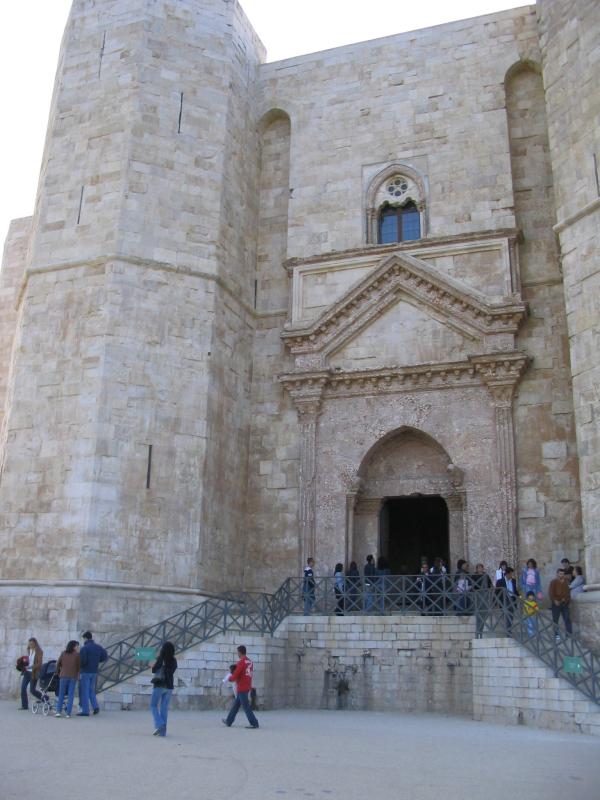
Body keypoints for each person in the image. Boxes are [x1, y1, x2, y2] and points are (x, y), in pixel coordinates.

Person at [222, 645, 259, 729]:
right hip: (247, 685)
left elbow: (235, 675)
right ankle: (229, 721)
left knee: (246, 706)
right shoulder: (250, 662)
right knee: (236, 705)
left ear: (240, 652)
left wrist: (229, 679)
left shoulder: (241, 662)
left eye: (238, 652)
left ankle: (254, 723)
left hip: (242, 687)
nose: (237, 654)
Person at [77, 630, 108, 716]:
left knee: (85, 691)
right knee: (91, 690)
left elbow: (82, 661)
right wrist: (97, 661)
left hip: (85, 671)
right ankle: (95, 707)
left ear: (85, 638)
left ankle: (85, 711)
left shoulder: (84, 648)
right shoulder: (98, 647)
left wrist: (81, 666)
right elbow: (105, 656)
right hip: (94, 671)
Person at [150, 641, 177, 737]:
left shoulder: (160, 658)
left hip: (159, 685)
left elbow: (154, 670)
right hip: (169, 686)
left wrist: (152, 663)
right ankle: (163, 732)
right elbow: (172, 671)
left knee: (153, 705)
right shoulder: (174, 660)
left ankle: (159, 724)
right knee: (164, 708)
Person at [54, 640, 80, 718]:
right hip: (73, 676)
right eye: (77, 646)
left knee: (61, 694)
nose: (77, 647)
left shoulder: (63, 653)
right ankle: (68, 713)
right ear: (73, 646)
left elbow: (58, 664)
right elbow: (79, 666)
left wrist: (58, 672)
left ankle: (58, 711)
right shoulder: (77, 655)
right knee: (70, 694)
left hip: (63, 675)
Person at [549, 568, 573, 641]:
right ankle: (556, 634)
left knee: (567, 619)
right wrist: (554, 600)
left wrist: (567, 600)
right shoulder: (553, 582)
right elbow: (550, 593)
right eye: (560, 574)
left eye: (562, 574)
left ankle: (569, 634)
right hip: (556, 604)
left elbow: (568, 593)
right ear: (557, 574)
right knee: (555, 620)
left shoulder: (566, 583)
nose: (561, 575)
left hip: (565, 604)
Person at [20, 637, 43, 711]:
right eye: (29, 644)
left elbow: (39, 663)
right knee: (23, 688)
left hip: (34, 673)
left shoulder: (39, 651)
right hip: (27, 672)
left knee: (32, 690)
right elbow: (28, 660)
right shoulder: (29, 650)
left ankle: (45, 698)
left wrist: (31, 666)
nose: (30, 645)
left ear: (35, 643)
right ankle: (24, 706)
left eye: (32, 644)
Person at [496, 567, 519, 631]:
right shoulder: (500, 581)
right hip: (504, 600)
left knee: (511, 616)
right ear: (507, 574)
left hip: (512, 600)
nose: (511, 575)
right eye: (511, 574)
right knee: (506, 616)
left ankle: (509, 630)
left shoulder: (513, 581)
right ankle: (508, 631)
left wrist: (519, 596)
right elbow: (496, 592)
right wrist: (496, 602)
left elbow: (515, 591)